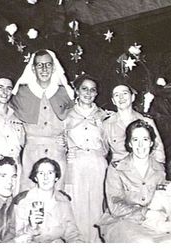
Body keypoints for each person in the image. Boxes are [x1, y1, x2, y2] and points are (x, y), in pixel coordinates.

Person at [10, 49, 75, 191]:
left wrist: (67, 139)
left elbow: (74, 121)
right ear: (33, 69)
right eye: (40, 65)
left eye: (48, 65)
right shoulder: (22, 93)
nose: (44, 69)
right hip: (31, 153)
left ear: (54, 67)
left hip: (57, 152)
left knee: (57, 196)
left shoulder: (65, 93)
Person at [97, 119, 165, 242]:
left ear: (151, 143)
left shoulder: (159, 169)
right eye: (135, 140)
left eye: (145, 139)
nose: (140, 145)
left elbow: (163, 201)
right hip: (121, 221)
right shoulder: (116, 168)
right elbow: (115, 207)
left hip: (152, 222)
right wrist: (145, 213)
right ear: (129, 144)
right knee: (143, 242)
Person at [64, 74, 108, 242]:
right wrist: (67, 151)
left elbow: (108, 145)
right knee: (76, 204)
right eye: (84, 89)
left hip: (97, 162)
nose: (88, 93)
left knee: (97, 204)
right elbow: (59, 139)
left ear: (96, 94)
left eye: (92, 90)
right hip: (75, 163)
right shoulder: (67, 115)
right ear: (76, 90)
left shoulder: (103, 116)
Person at [5, 157, 84, 243]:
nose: (45, 177)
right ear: (35, 178)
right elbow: (16, 238)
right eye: (41, 173)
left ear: (56, 177)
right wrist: (31, 227)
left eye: (50, 173)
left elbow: (72, 234)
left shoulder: (63, 201)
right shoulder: (23, 201)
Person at [103, 84, 165, 164]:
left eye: (125, 93)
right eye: (117, 95)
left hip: (144, 169)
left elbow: (159, 151)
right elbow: (102, 152)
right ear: (113, 101)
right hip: (119, 170)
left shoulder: (147, 122)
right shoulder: (107, 124)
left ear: (132, 97)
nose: (121, 97)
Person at [0, 77, 26, 194]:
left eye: (9, 88)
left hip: (16, 173)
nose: (5, 92)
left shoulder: (18, 116)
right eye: (0, 87)